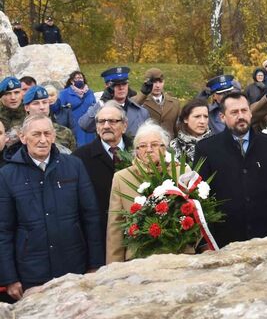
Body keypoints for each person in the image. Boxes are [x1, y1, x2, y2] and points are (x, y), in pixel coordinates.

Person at [0, 114, 103, 300]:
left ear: (54, 136)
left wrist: (95, 263)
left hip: (74, 266)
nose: (42, 139)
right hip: (31, 273)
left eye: (47, 133)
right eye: (36, 134)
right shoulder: (7, 175)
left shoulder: (74, 166)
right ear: (23, 138)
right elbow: (3, 230)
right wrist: (9, 278)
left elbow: (91, 217)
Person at [195, 93, 267, 248]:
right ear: (223, 117)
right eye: (234, 112)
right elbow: (202, 197)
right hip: (224, 238)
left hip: (266, 235)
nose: (241, 116)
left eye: (244, 111)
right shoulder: (206, 148)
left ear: (250, 113)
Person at [107, 122, 190, 262]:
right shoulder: (122, 178)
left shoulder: (182, 172)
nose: (149, 150)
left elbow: (196, 215)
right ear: (136, 150)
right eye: (143, 146)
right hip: (138, 257)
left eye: (155, 144)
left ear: (165, 148)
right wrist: (113, 266)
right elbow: (115, 226)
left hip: (178, 253)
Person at [73, 102, 132, 253]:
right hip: (100, 237)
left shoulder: (139, 150)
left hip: (138, 231)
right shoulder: (80, 158)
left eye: (112, 121)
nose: (106, 126)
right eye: (101, 121)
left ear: (124, 125)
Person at [79, 67, 149, 137]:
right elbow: (84, 125)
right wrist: (102, 102)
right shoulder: (99, 108)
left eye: (124, 84)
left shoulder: (140, 111)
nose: (121, 88)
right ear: (107, 86)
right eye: (116, 85)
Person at [22, 86, 76, 152]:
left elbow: (72, 158)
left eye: (45, 102)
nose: (42, 107)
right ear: (27, 107)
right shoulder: (19, 133)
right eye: (36, 103)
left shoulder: (64, 132)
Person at [133, 68, 180, 138]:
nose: (158, 86)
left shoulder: (175, 103)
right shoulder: (138, 101)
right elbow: (131, 111)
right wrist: (143, 94)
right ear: (146, 82)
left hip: (170, 145)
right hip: (148, 144)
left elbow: (177, 128)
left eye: (160, 82)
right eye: (154, 82)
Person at [56, 71, 96, 147]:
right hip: (75, 127)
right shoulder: (65, 93)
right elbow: (61, 110)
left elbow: (94, 106)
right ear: (72, 81)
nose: (79, 80)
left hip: (89, 127)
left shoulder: (90, 92)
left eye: (81, 78)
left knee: (92, 148)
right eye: (77, 78)